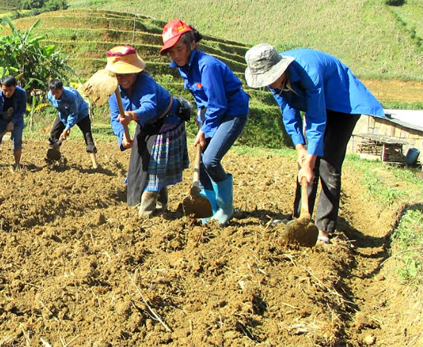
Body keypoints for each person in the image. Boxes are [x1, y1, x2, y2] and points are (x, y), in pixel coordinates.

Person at [244, 43, 384, 243]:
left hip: (343, 104)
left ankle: (323, 228)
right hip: (320, 105)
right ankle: (300, 218)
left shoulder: (309, 72)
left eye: (270, 78)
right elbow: (288, 112)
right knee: (306, 163)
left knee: (328, 162)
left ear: (280, 69)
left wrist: (311, 159)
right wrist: (300, 147)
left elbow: (317, 119)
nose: (269, 84)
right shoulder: (273, 80)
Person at [160, 19, 250, 225]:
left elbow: (218, 104)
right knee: (201, 164)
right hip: (210, 113)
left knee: (210, 159)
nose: (175, 56)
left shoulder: (207, 66)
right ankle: (211, 208)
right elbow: (203, 101)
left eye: (179, 49)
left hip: (232, 112)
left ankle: (226, 209)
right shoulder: (183, 66)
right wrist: (203, 124)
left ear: (192, 44)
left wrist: (206, 130)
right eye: (170, 52)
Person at [106, 45, 189, 217]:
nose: (123, 79)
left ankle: (146, 212)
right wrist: (122, 136)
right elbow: (115, 118)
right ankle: (161, 204)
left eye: (127, 73)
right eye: (119, 75)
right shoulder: (114, 91)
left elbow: (149, 108)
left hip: (167, 120)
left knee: (155, 166)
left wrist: (132, 115)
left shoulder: (145, 82)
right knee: (142, 165)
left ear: (135, 71)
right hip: (145, 124)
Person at [47, 79, 98, 167]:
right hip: (64, 113)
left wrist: (67, 128)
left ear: (61, 89)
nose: (54, 96)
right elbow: (60, 109)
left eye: (57, 92)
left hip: (81, 114)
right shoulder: (50, 96)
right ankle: (58, 160)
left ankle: (95, 165)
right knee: (54, 134)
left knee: (87, 136)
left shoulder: (71, 96)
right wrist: (65, 126)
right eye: (53, 93)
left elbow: (74, 114)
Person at [0, 75, 27, 169]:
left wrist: (13, 122)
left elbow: (21, 110)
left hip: (16, 120)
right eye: (5, 90)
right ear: (1, 87)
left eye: (10, 90)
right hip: (0, 121)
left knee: (17, 140)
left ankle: (17, 164)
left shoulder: (21, 93)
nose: (7, 93)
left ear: (15, 87)